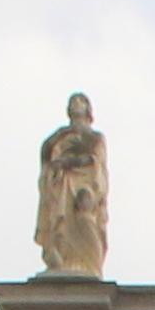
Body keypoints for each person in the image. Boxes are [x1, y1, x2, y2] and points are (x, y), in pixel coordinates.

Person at [35, 93, 110, 277]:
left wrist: (70, 162)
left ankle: (89, 261)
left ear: (88, 109)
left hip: (84, 179)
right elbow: (46, 153)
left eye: (80, 101)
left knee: (85, 213)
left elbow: (96, 161)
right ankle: (61, 257)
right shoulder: (61, 135)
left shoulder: (95, 137)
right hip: (62, 181)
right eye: (73, 102)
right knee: (61, 219)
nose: (76, 104)